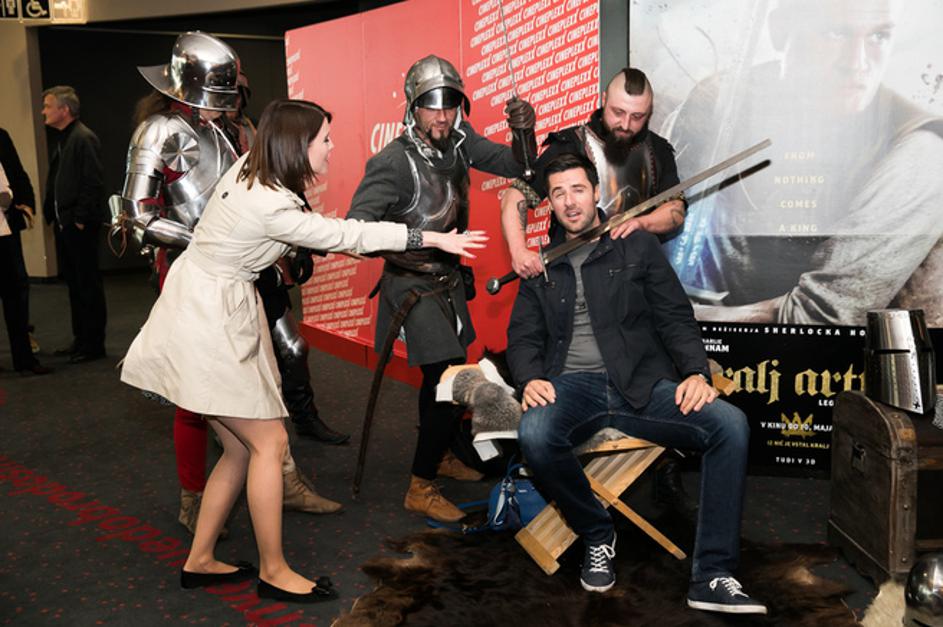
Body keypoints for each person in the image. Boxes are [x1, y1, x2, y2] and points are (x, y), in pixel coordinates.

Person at [119, 98, 487, 601]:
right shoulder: (270, 203)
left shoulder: (255, 170)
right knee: (268, 444)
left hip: (206, 304)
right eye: (324, 140)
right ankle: (273, 571)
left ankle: (200, 559)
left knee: (239, 447)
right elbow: (345, 234)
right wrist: (431, 238)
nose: (332, 148)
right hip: (208, 319)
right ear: (298, 146)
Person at [506, 153, 766, 614]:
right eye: (558, 194)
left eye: (578, 189)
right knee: (535, 433)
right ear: (550, 203)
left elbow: (674, 316)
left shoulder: (635, 245)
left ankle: (713, 574)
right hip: (573, 387)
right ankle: (596, 532)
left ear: (595, 192)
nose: (570, 202)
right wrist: (529, 379)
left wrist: (696, 373)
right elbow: (523, 336)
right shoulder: (539, 265)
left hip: (641, 385)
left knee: (730, 424)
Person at [110, 32, 345, 537]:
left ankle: (282, 475)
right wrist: (204, 240)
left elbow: (262, 191)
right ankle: (195, 497)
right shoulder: (160, 131)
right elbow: (136, 216)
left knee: (274, 363)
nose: (229, 99)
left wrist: (292, 243)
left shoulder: (230, 129)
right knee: (195, 393)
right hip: (190, 268)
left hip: (247, 265)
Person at [663, 0, 943, 325]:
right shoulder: (718, 103)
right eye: (835, 33)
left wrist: (682, 317)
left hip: (847, 356)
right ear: (780, 30)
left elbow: (820, 315)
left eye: (878, 36)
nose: (857, 63)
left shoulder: (920, 153)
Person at [345, 54, 536, 523]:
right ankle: (420, 484)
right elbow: (356, 232)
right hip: (411, 285)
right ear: (413, 107)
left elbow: (519, 164)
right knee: (448, 381)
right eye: (432, 106)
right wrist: (422, 240)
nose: (443, 116)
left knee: (441, 383)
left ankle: (442, 452)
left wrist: (523, 131)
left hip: (448, 283)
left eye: (450, 104)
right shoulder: (393, 162)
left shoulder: (460, 142)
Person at [500, 68, 687, 280]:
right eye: (618, 112)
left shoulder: (658, 150)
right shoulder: (570, 144)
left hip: (638, 270)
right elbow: (515, 196)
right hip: (578, 271)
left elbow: (675, 209)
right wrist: (519, 251)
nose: (625, 124)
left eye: (637, 117)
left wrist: (642, 223)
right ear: (604, 100)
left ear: (649, 112)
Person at [41, 85, 108, 363]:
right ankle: (81, 339)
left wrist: (80, 219)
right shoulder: (66, 138)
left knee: (87, 285)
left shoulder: (83, 138)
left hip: (79, 225)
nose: (43, 111)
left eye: (48, 106)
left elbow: (93, 182)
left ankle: (93, 345)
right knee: (75, 285)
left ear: (64, 110)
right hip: (66, 224)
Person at [0, 128, 51, 375]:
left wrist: (25, 204)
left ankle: (24, 358)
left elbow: (16, 174)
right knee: (15, 292)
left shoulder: (0, 136)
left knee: (16, 292)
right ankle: (24, 359)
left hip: (5, 228)